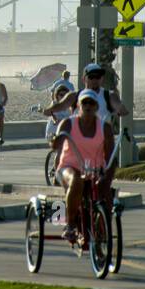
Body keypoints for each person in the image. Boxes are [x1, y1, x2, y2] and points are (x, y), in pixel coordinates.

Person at [50, 90, 115, 243]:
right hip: (69, 167)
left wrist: (107, 178)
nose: (88, 106)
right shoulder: (68, 123)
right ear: (78, 105)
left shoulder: (104, 128)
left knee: (106, 195)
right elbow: (56, 142)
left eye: (91, 103)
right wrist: (56, 140)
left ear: (97, 106)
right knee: (76, 180)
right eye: (84, 102)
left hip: (94, 171)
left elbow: (111, 158)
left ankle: (101, 230)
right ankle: (70, 225)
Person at [42, 80, 74, 155]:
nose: (63, 97)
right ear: (57, 95)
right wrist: (55, 119)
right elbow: (51, 114)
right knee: (60, 151)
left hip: (66, 131)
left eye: (65, 95)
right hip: (54, 130)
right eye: (61, 95)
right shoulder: (54, 104)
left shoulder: (70, 106)